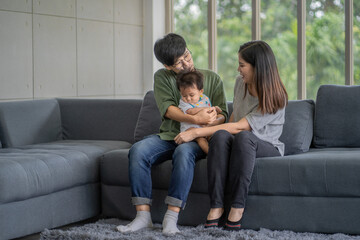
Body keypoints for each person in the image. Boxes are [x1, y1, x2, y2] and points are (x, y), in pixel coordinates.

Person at [117, 33, 228, 235]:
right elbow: (168, 109)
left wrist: (203, 126)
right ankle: (143, 217)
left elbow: (225, 116)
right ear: (168, 67)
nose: (187, 63)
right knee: (138, 151)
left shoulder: (211, 78)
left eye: (187, 55)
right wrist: (196, 118)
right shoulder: (162, 77)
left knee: (183, 152)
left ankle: (171, 218)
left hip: (198, 138)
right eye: (179, 63)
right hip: (169, 136)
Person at [174, 40, 288, 231]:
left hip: (266, 145)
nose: (238, 69)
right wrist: (215, 133)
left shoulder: (276, 95)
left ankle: (237, 206)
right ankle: (216, 206)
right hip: (240, 139)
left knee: (243, 137)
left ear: (258, 67)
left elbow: (240, 127)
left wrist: (195, 132)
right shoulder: (240, 83)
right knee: (220, 136)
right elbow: (234, 117)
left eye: (242, 65)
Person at [176, 70, 222, 154]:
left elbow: (213, 113)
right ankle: (210, 154)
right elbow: (191, 111)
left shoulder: (205, 98)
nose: (188, 99)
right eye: (184, 95)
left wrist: (214, 109)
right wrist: (207, 109)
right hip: (190, 128)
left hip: (204, 127)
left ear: (200, 92)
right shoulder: (183, 103)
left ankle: (219, 154)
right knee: (201, 140)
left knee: (213, 136)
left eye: (191, 95)